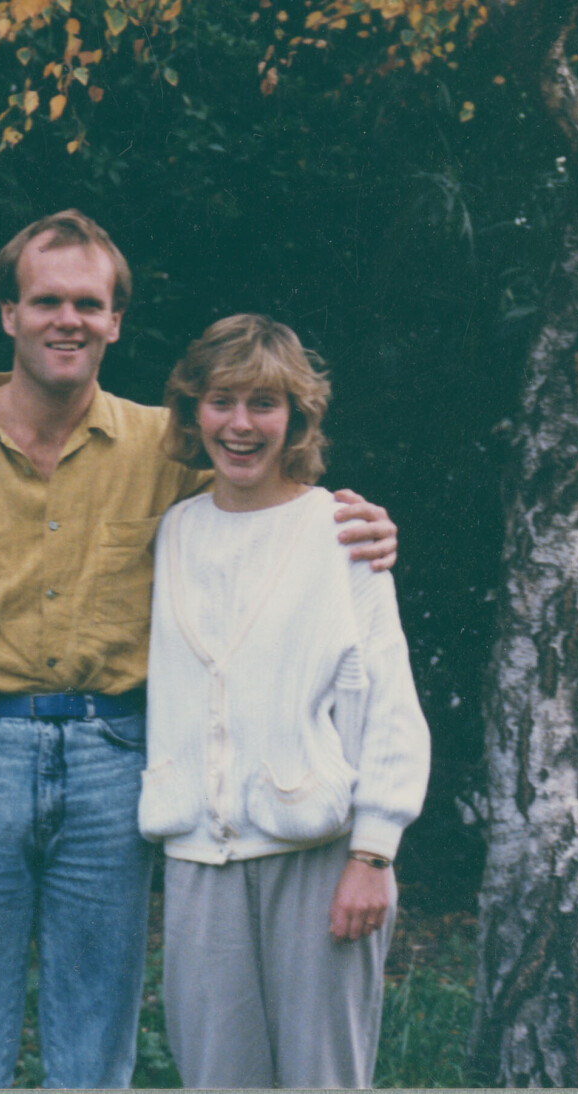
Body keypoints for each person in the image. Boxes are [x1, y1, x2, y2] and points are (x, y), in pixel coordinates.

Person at [0, 212, 400, 1089]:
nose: (69, 320)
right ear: (9, 313)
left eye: (89, 304)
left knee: (95, 1060)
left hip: (114, 767)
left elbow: (267, 499)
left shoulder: (164, 448)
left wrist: (355, 523)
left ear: (116, 321)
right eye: (46, 300)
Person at [140, 313, 430, 1089]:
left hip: (319, 856)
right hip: (199, 860)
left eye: (263, 404)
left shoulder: (341, 531)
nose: (240, 425)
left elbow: (389, 703)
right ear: (193, 411)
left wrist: (374, 853)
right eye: (222, 401)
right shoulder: (172, 531)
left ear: (296, 419)